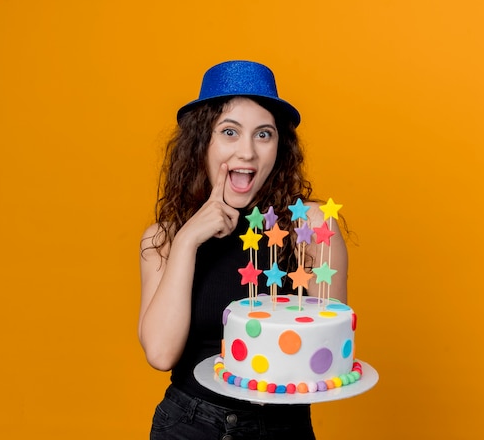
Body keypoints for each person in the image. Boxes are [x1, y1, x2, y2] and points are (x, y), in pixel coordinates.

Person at [139, 60, 348, 440]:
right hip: (189, 424)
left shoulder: (311, 227)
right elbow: (160, 354)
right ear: (202, 143)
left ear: (280, 148)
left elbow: (328, 351)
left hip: (282, 426)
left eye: (263, 134)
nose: (247, 152)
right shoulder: (165, 238)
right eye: (230, 132)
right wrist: (188, 240)